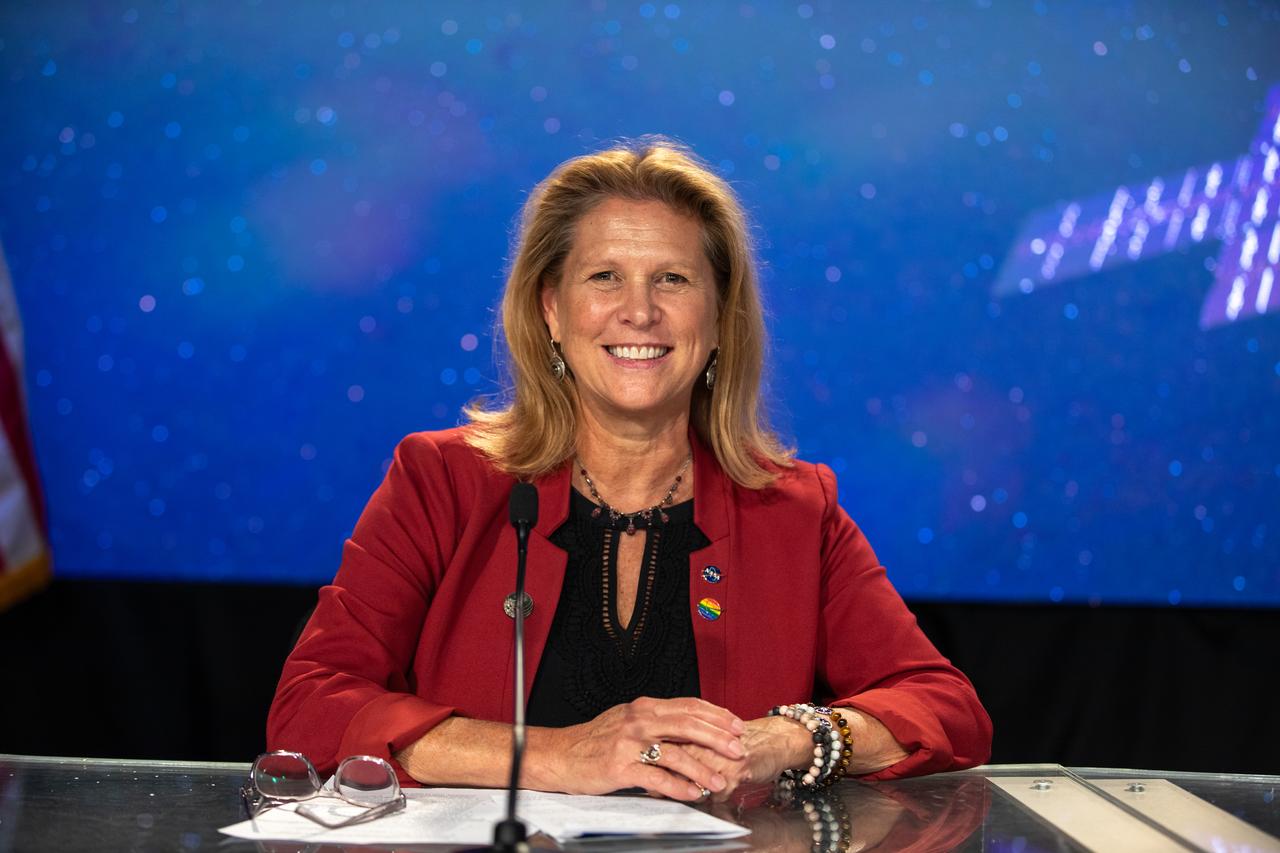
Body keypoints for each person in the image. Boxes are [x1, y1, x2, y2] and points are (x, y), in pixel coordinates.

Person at [267, 138, 992, 803]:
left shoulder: (795, 510)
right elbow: (308, 705)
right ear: (552, 310)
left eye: (672, 279)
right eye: (604, 277)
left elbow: (945, 708)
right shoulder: (442, 481)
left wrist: (789, 738)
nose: (639, 312)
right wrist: (550, 756)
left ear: (720, 319)